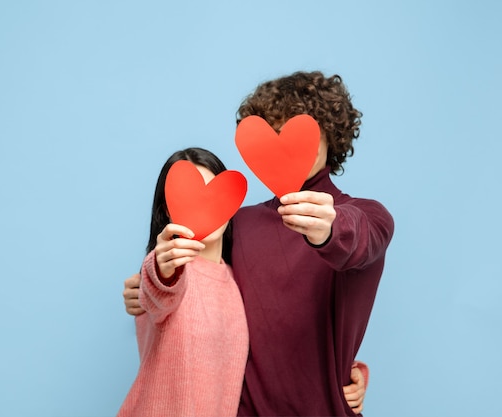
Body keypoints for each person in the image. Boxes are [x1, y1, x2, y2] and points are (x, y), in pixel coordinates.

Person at [124, 70, 393, 416]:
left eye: (301, 132)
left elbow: (358, 242)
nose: (288, 144)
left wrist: (329, 228)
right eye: (274, 132)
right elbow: (199, 286)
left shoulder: (367, 216)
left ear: (330, 134)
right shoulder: (239, 222)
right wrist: (150, 284)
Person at [117, 148, 249, 417]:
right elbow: (161, 290)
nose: (206, 206)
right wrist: (160, 271)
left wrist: (345, 371)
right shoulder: (168, 272)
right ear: (167, 209)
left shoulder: (238, 281)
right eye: (190, 197)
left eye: (216, 194)